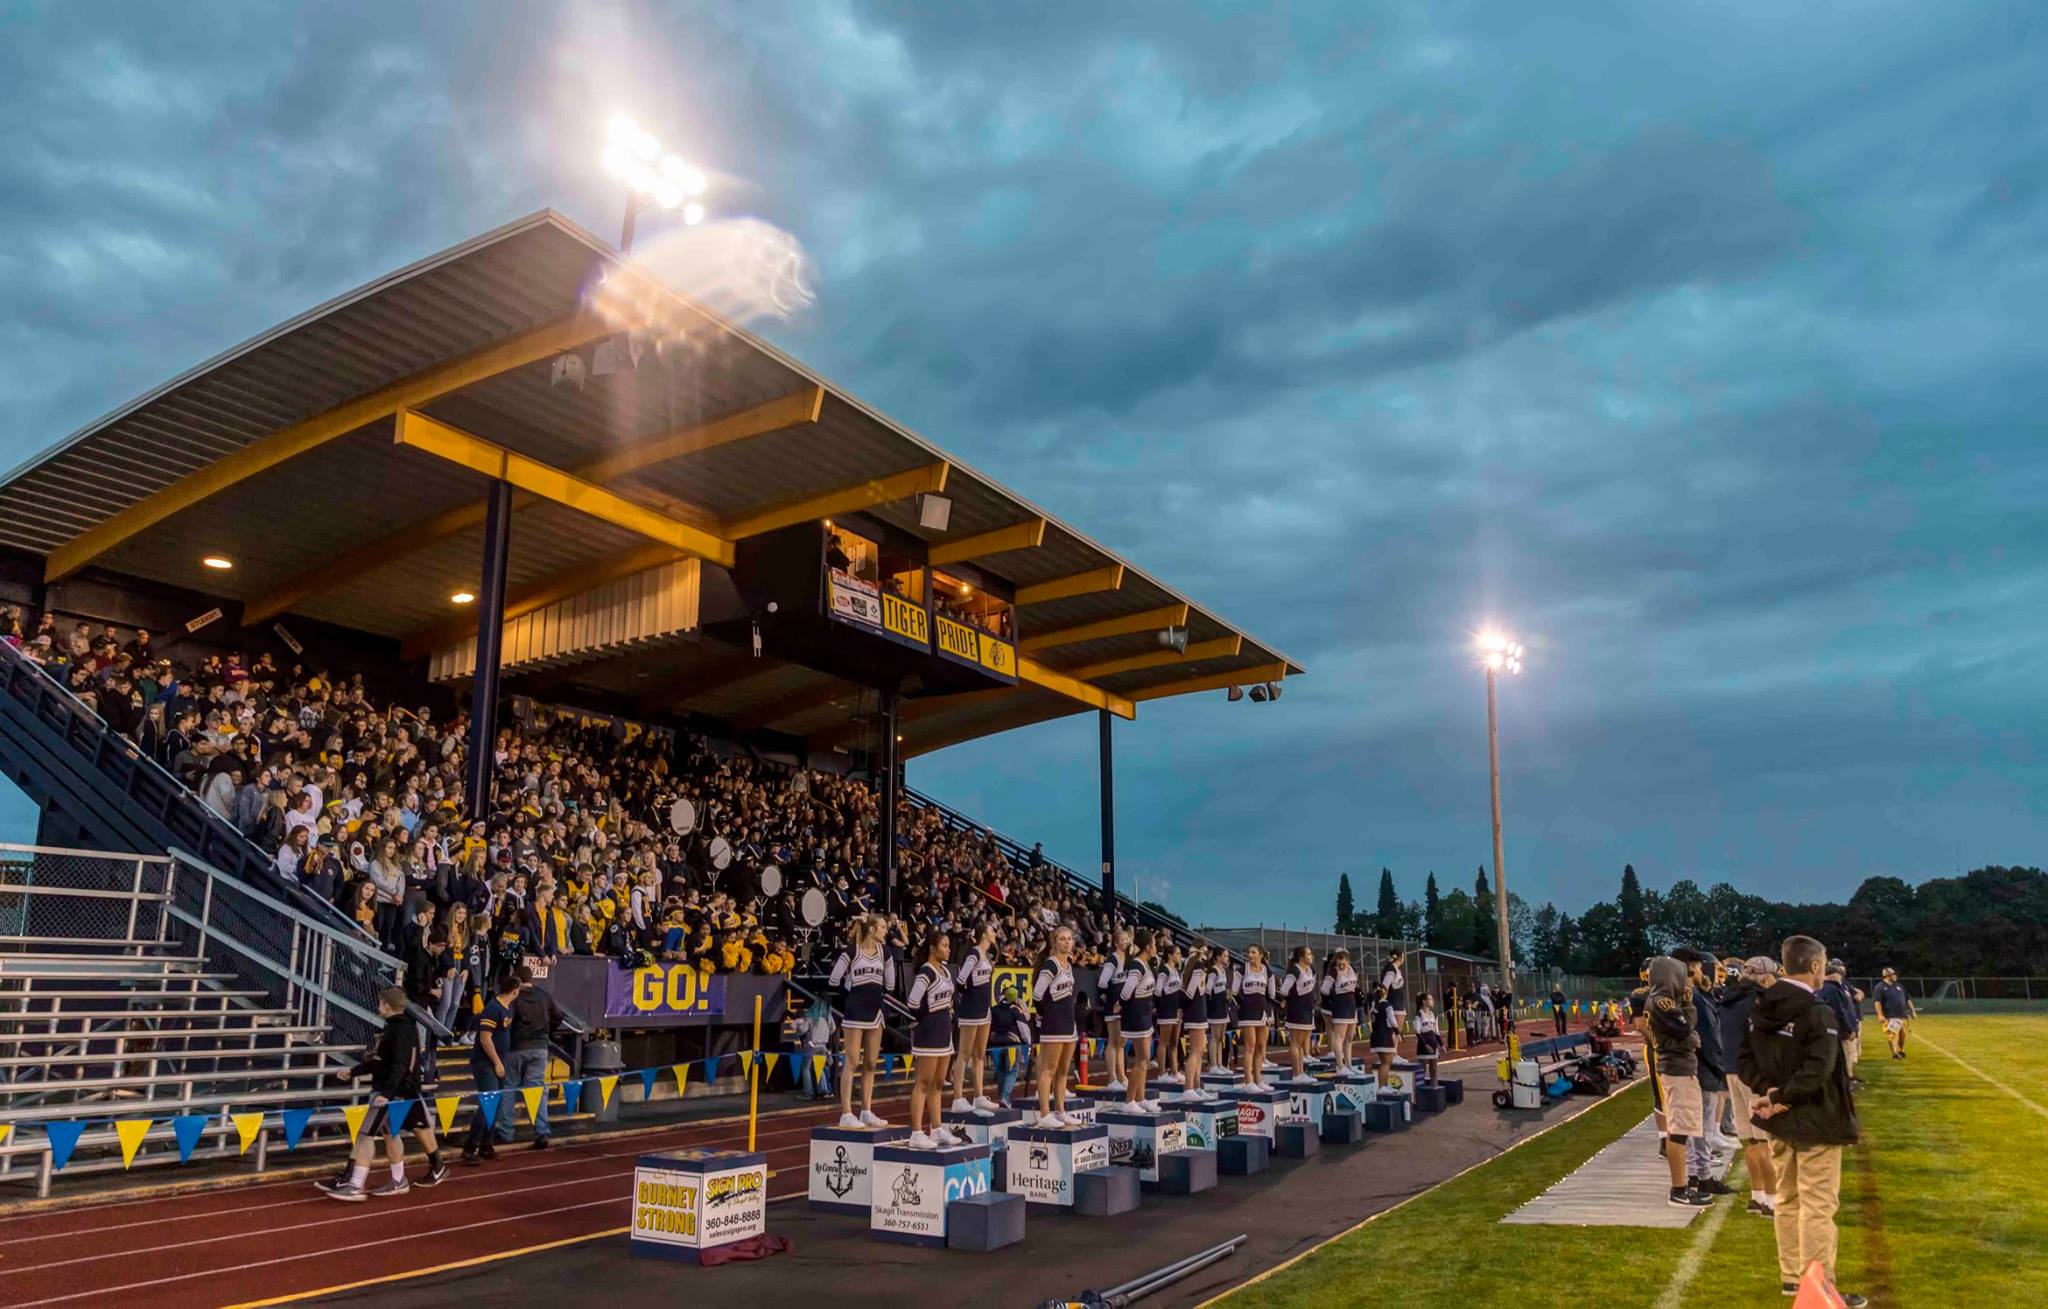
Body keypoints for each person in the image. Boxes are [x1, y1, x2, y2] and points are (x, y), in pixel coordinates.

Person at [1738, 935, 1866, 1306]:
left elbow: (1743, 1059)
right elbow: (1819, 1069)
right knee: (1818, 1204)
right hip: (1815, 1120)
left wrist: (1769, 1093)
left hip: (1779, 1121)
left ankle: (1793, 1280)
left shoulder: (1759, 1006)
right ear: (1814, 966)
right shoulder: (1816, 1009)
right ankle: (1819, 1288)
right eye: (1822, 965)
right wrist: (1779, 1096)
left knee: (1788, 1199)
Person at [317, 985, 448, 1199]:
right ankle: (398, 1180)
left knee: (365, 1135)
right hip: (396, 1089)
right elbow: (383, 1062)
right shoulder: (396, 1027)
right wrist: (354, 1072)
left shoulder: (400, 1030)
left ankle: (356, 1183)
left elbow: (399, 1064)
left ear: (387, 1005)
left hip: (394, 1091)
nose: (378, 1006)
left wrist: (386, 1093)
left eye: (380, 1003)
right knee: (390, 1133)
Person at [1645, 956, 1713, 1208]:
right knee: (1680, 1132)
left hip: (1680, 1066)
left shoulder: (1664, 1001)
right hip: (1677, 1067)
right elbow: (1687, 1028)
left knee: (1682, 1129)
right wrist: (1687, 1003)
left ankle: (1682, 1186)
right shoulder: (1662, 1002)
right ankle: (1678, 1189)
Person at [1718, 955, 1779, 1216]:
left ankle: (1757, 1196)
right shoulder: (1758, 1001)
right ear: (1765, 976)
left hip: (1732, 1070)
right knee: (1767, 1140)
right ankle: (1772, 1201)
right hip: (1754, 1074)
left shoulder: (1730, 999)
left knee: (1752, 1140)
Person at [1672, 948, 1736, 1195]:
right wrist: (1720, 1067)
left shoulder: (1696, 995)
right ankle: (1701, 1175)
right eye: (1699, 967)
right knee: (1700, 1127)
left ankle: (1699, 1173)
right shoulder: (1693, 997)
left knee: (1698, 1126)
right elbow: (1708, 1036)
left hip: (1699, 1067)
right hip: (1701, 1068)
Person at [830, 913, 896, 1129]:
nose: (886, 930)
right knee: (851, 1062)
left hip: (876, 1011)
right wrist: (851, 990)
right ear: (871, 930)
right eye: (883, 927)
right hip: (855, 1011)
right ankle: (846, 1112)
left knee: (870, 1063)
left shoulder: (884, 952)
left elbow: (891, 984)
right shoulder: (852, 951)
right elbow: (834, 979)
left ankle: (866, 1110)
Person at [904, 930, 961, 1149]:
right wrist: (928, 1018)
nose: (948, 949)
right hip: (928, 1034)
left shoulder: (945, 971)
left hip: (944, 1034)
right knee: (923, 1084)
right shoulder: (926, 973)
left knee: (938, 1084)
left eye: (948, 945)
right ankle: (916, 1132)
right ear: (932, 948)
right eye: (944, 945)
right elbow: (913, 1003)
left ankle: (936, 1129)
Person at [460, 970, 521, 1164]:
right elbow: (485, 1039)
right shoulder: (493, 1008)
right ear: (514, 990)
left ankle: (487, 1144)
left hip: (499, 1062)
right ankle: (470, 1147)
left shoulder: (508, 1008)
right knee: (488, 1103)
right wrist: (496, 1062)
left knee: (493, 1104)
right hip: (486, 1063)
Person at [504, 964, 565, 1150]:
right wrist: (547, 1032)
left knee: (508, 1089)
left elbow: (505, 1021)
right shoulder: (544, 995)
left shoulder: (513, 997)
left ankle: (505, 1131)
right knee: (537, 1090)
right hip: (540, 1047)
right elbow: (558, 1016)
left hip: (516, 1046)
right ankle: (542, 1131)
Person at [947, 918, 999, 1113]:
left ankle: (978, 1095)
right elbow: (960, 981)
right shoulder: (974, 954)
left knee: (979, 1055)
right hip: (972, 1009)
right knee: (964, 1054)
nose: (994, 934)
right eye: (992, 931)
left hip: (984, 1008)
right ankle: (958, 1097)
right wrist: (971, 994)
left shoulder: (985, 955)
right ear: (984, 934)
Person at [1032, 925, 1081, 1126]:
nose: (1067, 942)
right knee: (1048, 1069)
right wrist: (1048, 1014)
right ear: (1054, 942)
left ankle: (1060, 1111)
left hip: (1069, 1025)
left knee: (1063, 1070)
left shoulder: (1068, 965)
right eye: (1062, 938)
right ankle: (1044, 1114)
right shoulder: (1050, 965)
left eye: (1069, 938)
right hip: (1053, 1025)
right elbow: (1037, 995)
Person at [1117, 931, 1162, 1111]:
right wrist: (1120, 1003)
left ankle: (1141, 1098)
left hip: (1144, 1014)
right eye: (1154, 944)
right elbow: (1127, 991)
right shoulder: (1137, 965)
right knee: (1142, 1058)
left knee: (1145, 1058)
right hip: (1136, 1015)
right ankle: (1129, 1101)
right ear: (1148, 946)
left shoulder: (1145, 964)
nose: (1156, 948)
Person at [1233, 944, 1275, 1090]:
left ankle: (1259, 1080)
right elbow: (1234, 991)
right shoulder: (1242, 969)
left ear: (1260, 955)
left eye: (1253, 952)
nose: (1249, 955)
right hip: (1247, 1012)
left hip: (1262, 1011)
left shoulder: (1267, 971)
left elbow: (1272, 994)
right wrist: (1242, 1003)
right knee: (1250, 1047)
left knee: (1260, 1047)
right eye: (1248, 952)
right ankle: (1248, 1081)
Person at [1820, 960, 1863, 1089]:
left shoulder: (1835, 988)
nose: (1841, 977)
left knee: (1847, 1056)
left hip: (1840, 1028)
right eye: (1839, 974)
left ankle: (1847, 1080)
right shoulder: (1832, 989)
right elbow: (1840, 1011)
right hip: (1841, 1030)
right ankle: (1845, 1083)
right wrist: (1849, 1028)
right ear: (1833, 975)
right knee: (1845, 1056)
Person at [1278, 945, 1317, 1081]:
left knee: (1302, 1043)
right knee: (1295, 1042)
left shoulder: (1310, 970)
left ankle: (1301, 1072)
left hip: (1307, 1008)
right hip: (1297, 1009)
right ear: (1301, 957)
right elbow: (1283, 990)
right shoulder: (1294, 971)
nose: (1311, 956)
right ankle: (1296, 1074)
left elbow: (1311, 987)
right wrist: (1293, 1001)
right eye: (1308, 954)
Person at [989, 981, 1032, 1106]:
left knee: (1000, 1070)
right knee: (1012, 1071)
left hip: (995, 1044)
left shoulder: (994, 1009)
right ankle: (1005, 1097)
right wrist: (1028, 1042)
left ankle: (1002, 1096)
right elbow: (1024, 1028)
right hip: (1012, 1044)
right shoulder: (1016, 1010)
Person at [1099, 929, 1131, 1093]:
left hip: (1125, 1003)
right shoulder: (1113, 959)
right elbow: (1103, 981)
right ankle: (1112, 1078)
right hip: (1114, 1002)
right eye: (1123, 939)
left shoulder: (1129, 959)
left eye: (1127, 938)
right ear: (1117, 943)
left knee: (1121, 1042)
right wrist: (1112, 996)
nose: (1126, 941)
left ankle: (1122, 1075)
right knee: (1113, 1041)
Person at [1177, 946, 1210, 1101]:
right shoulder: (1197, 965)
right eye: (1204, 950)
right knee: (1196, 1051)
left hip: (1198, 1009)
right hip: (1196, 1010)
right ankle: (1189, 1088)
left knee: (1200, 1050)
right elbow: (1190, 992)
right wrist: (1182, 1007)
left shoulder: (1194, 964)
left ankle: (1196, 1087)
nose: (1207, 953)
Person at [1319, 948, 1358, 1072]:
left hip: (1351, 1005)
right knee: (1339, 1036)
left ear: (1348, 961)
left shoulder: (1352, 969)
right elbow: (1324, 990)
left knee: (1350, 1037)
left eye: (1343, 963)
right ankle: (1340, 1066)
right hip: (1340, 1006)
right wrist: (1337, 994)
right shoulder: (1333, 972)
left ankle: (1349, 1065)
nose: (1341, 965)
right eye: (1339, 963)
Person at [1154, 940, 1185, 1088]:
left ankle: (1174, 1070)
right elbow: (1158, 991)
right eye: (1178, 953)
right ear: (1170, 955)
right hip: (1166, 1010)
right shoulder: (1164, 970)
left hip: (1177, 1010)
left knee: (1174, 1042)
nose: (1180, 956)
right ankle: (1161, 1073)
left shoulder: (1177, 971)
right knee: (1164, 1042)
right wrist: (1163, 1006)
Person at [1874, 967, 1915, 1059]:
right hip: (1890, 1015)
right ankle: (1894, 1053)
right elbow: (1877, 1002)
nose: (1895, 975)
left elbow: (1907, 998)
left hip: (1902, 1014)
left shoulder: (1899, 985)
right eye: (1893, 973)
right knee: (1892, 1034)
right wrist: (1880, 1015)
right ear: (1887, 975)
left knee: (1903, 1034)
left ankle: (1901, 1050)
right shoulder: (1880, 987)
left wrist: (1912, 1011)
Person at [1366, 983, 1400, 1086]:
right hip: (1384, 1035)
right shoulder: (1387, 1005)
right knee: (1386, 1063)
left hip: (1375, 1035)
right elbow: (1393, 1021)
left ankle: (1383, 1086)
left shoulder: (1373, 1005)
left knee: (1384, 1062)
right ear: (1385, 993)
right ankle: (1382, 1086)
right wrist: (1398, 1033)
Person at [1412, 991, 1444, 1083]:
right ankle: (1419, 1090)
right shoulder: (1419, 1014)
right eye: (1430, 999)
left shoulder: (1434, 1015)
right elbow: (1417, 1032)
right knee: (1421, 1070)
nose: (1432, 1001)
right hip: (1423, 1045)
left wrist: (1441, 1044)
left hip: (1433, 1044)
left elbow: (1436, 1031)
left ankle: (1434, 1088)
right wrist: (1425, 1045)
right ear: (1424, 1002)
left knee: (1434, 1068)